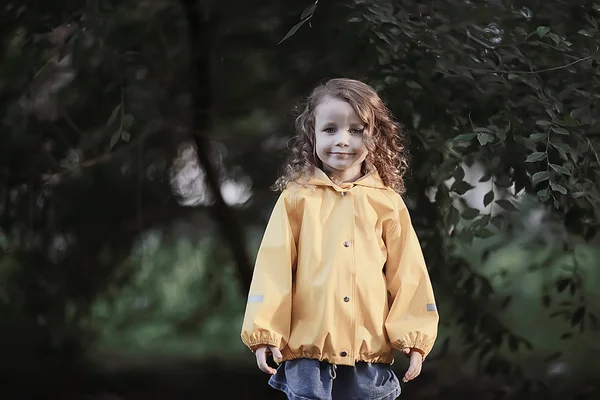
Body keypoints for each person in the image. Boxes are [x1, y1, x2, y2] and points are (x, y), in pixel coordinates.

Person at [240, 78, 439, 400]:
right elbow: (272, 271)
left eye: (357, 130)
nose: (343, 140)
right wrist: (264, 332)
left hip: (369, 356)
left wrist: (414, 337)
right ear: (312, 135)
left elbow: (408, 274)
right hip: (307, 358)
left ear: (376, 137)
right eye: (330, 129)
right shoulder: (296, 199)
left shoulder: (387, 202)